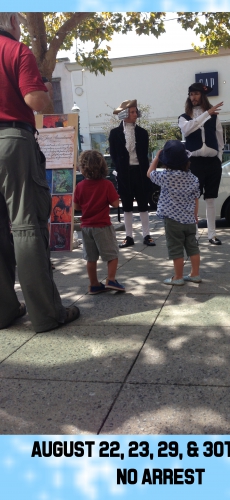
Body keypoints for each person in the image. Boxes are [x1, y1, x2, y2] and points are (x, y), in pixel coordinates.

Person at [0, 12, 79, 332]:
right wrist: (45, 90)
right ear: (12, 23)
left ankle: (4, 311)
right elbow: (36, 100)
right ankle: (46, 314)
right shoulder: (15, 51)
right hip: (12, 142)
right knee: (26, 226)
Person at [147, 140, 201, 285]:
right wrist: (195, 215)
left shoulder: (165, 176)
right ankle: (195, 274)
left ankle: (178, 277)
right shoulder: (193, 178)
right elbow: (196, 198)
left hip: (172, 220)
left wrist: (156, 158)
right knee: (193, 246)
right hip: (189, 219)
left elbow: (149, 173)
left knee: (176, 247)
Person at [178, 82, 224, 245]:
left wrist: (219, 159)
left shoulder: (214, 116)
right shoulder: (184, 118)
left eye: (196, 94)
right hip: (194, 163)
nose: (193, 97)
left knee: (211, 199)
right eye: (191, 94)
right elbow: (188, 130)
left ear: (202, 96)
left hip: (212, 162)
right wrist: (206, 114)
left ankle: (212, 234)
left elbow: (220, 140)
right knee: (193, 199)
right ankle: (194, 235)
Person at [73, 150, 125, 294]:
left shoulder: (80, 186)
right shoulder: (106, 185)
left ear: (82, 168)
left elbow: (76, 207)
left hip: (86, 227)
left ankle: (94, 284)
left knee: (91, 258)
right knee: (112, 254)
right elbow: (115, 204)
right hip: (102, 225)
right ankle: (111, 279)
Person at [109, 99, 156, 248]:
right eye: (132, 112)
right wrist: (120, 170)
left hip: (140, 172)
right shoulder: (115, 133)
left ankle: (146, 235)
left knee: (143, 204)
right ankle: (128, 236)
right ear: (125, 114)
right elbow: (114, 154)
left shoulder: (142, 133)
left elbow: (144, 154)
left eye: (136, 111)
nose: (136, 114)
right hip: (124, 173)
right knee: (127, 206)